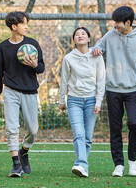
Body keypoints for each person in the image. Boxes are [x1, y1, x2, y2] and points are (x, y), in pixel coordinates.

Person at [92, 6, 136, 177]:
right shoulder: (110, 36)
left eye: (118, 23)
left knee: (134, 123)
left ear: (128, 22)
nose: (115, 25)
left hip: (134, 90)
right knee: (115, 128)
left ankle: (133, 161)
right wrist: (96, 49)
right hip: (112, 90)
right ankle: (118, 164)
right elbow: (98, 47)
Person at [0, 11, 45, 177]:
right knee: (12, 128)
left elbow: (41, 68)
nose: (27, 26)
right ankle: (16, 165)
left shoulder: (33, 44)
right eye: (24, 24)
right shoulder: (3, 48)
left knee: (33, 129)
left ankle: (24, 152)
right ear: (14, 27)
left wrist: (35, 65)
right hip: (11, 91)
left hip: (29, 91)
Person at [59, 27, 106, 177]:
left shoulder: (97, 57)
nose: (80, 36)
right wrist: (62, 100)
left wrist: (98, 101)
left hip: (92, 101)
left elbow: (101, 81)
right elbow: (64, 80)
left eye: (83, 34)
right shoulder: (68, 58)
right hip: (74, 100)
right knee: (79, 134)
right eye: (77, 34)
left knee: (88, 137)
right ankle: (81, 164)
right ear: (73, 40)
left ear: (88, 39)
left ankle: (81, 165)